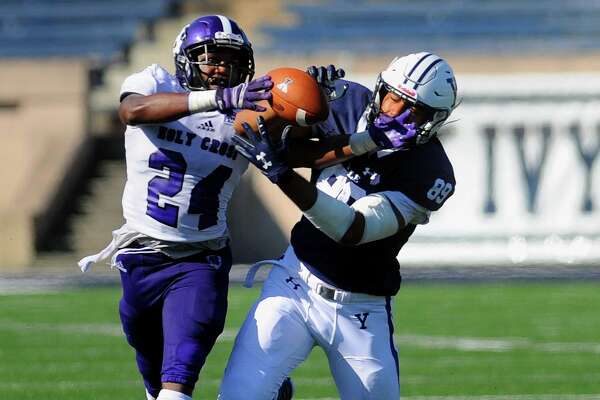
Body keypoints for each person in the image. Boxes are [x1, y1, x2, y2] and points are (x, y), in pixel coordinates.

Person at [217, 53, 458, 399]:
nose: (395, 111)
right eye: (392, 96)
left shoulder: (430, 171)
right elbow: (262, 136)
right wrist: (298, 106)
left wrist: (282, 176)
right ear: (380, 88)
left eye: (412, 109)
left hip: (360, 309)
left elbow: (352, 229)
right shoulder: (346, 101)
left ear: (433, 120)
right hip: (294, 283)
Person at [77, 15, 278, 400]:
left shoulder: (247, 114)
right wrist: (215, 99)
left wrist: (335, 104)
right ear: (185, 59)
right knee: (154, 382)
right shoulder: (153, 82)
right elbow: (132, 112)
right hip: (139, 256)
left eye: (229, 59)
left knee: (178, 381)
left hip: (200, 259)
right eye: (209, 57)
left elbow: (308, 147)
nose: (220, 67)